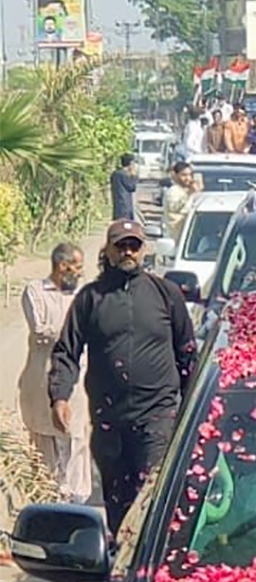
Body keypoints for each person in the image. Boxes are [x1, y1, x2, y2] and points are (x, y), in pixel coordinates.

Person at [49, 220, 197, 537]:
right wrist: (59, 396)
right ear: (109, 250)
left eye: (134, 245)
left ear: (144, 250)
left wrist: (194, 411)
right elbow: (66, 351)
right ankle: (119, 563)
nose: (128, 251)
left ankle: (149, 565)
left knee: (151, 497)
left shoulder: (166, 294)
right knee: (117, 499)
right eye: (121, 245)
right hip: (109, 420)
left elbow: (187, 355)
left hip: (157, 417)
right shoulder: (90, 299)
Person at [17, 242, 91, 504]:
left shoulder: (82, 295)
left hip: (75, 386)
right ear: (62, 266)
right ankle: (45, 504)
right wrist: (75, 332)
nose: (81, 273)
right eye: (78, 267)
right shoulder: (35, 292)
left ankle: (75, 505)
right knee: (43, 446)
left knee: (75, 442)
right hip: (40, 383)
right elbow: (40, 331)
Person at [163, 161, 197, 246]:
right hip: (177, 239)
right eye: (184, 175)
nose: (188, 178)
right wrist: (189, 194)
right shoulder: (173, 191)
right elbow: (174, 207)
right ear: (175, 175)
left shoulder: (187, 191)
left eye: (190, 175)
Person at [110, 154, 138, 222]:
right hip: (125, 207)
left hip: (117, 206)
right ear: (131, 163)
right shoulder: (124, 175)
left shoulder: (115, 174)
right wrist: (134, 175)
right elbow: (132, 187)